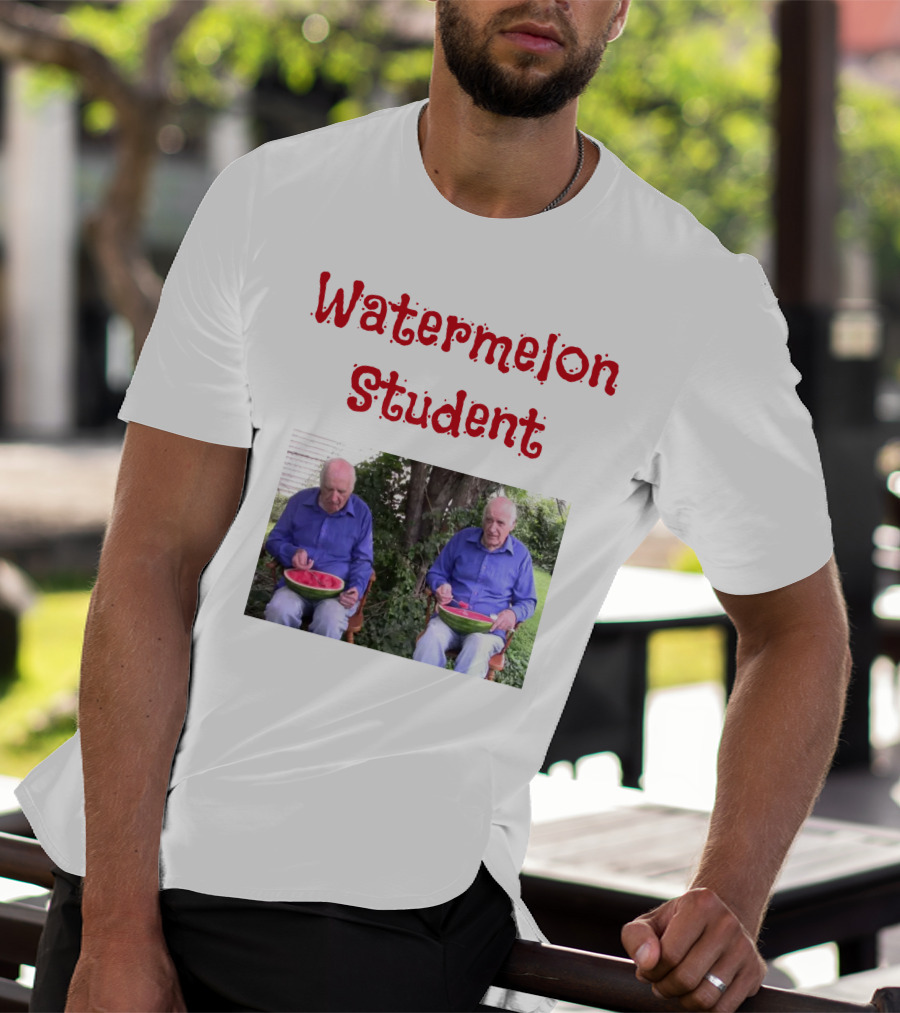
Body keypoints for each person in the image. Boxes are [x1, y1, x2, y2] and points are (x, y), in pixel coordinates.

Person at [17, 2, 852, 1012]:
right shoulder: (272, 202)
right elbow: (147, 563)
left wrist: (729, 890)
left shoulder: (693, 302)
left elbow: (799, 628)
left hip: (373, 929)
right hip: (123, 889)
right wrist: (113, 923)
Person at [414, 496, 537, 677]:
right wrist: (440, 585)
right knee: (430, 638)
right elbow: (436, 572)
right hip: (449, 621)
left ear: (513, 525)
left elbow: (528, 601)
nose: (492, 528)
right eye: (488, 520)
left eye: (500, 523)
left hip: (487, 631)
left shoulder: (521, 556)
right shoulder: (462, 539)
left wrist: (514, 613)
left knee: (477, 646)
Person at [263, 458, 373, 639]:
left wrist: (356, 589)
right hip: (294, 588)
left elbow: (363, 560)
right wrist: (291, 553)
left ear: (351, 490)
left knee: (330, 621)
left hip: (338, 595)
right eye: (329, 489)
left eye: (341, 492)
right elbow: (274, 540)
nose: (334, 497)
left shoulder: (362, 514)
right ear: (321, 484)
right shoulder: (299, 502)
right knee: (278, 610)